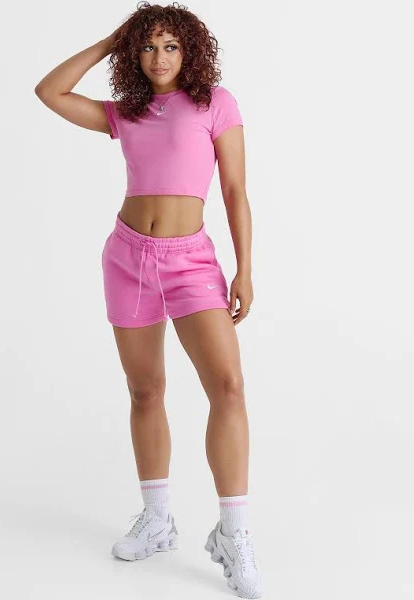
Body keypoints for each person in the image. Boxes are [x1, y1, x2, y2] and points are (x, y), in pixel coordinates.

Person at [35, 2, 261, 597]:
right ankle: (157, 519)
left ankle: (233, 532)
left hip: (192, 262)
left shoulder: (216, 103)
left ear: (190, 51)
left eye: (170, 45)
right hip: (127, 258)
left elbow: (235, 190)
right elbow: (50, 91)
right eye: (147, 46)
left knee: (228, 386)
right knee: (145, 391)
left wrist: (244, 268)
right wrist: (111, 39)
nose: (159, 57)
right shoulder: (126, 112)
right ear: (134, 54)